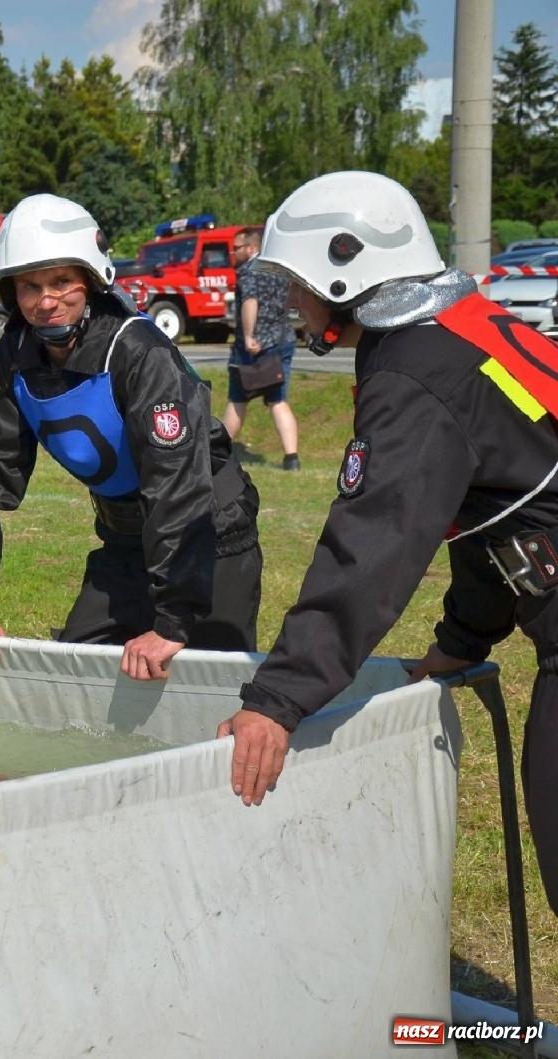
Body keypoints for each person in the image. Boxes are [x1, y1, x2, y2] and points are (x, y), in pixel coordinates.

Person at [218, 172, 558, 915]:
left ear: (345, 271)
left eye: (300, 282)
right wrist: (463, 640)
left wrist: (278, 699)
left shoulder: (415, 370)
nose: (293, 300)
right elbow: (493, 511)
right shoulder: (460, 325)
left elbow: (372, 544)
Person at [0, 194, 262, 680]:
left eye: (61, 282)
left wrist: (174, 619)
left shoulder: (139, 351)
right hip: (125, 544)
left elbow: (177, 485)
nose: (46, 301)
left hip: (210, 540)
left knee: (212, 690)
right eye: (29, 286)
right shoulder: (13, 355)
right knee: (77, 677)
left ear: (92, 280)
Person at [223, 228, 300, 471]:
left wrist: (249, 335)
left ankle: (217, 452)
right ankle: (292, 458)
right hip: (281, 341)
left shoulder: (249, 270)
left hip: (253, 347)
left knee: (237, 399)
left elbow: (250, 301)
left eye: (237, 247)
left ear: (251, 248)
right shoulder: (277, 269)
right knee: (278, 400)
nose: (233, 252)